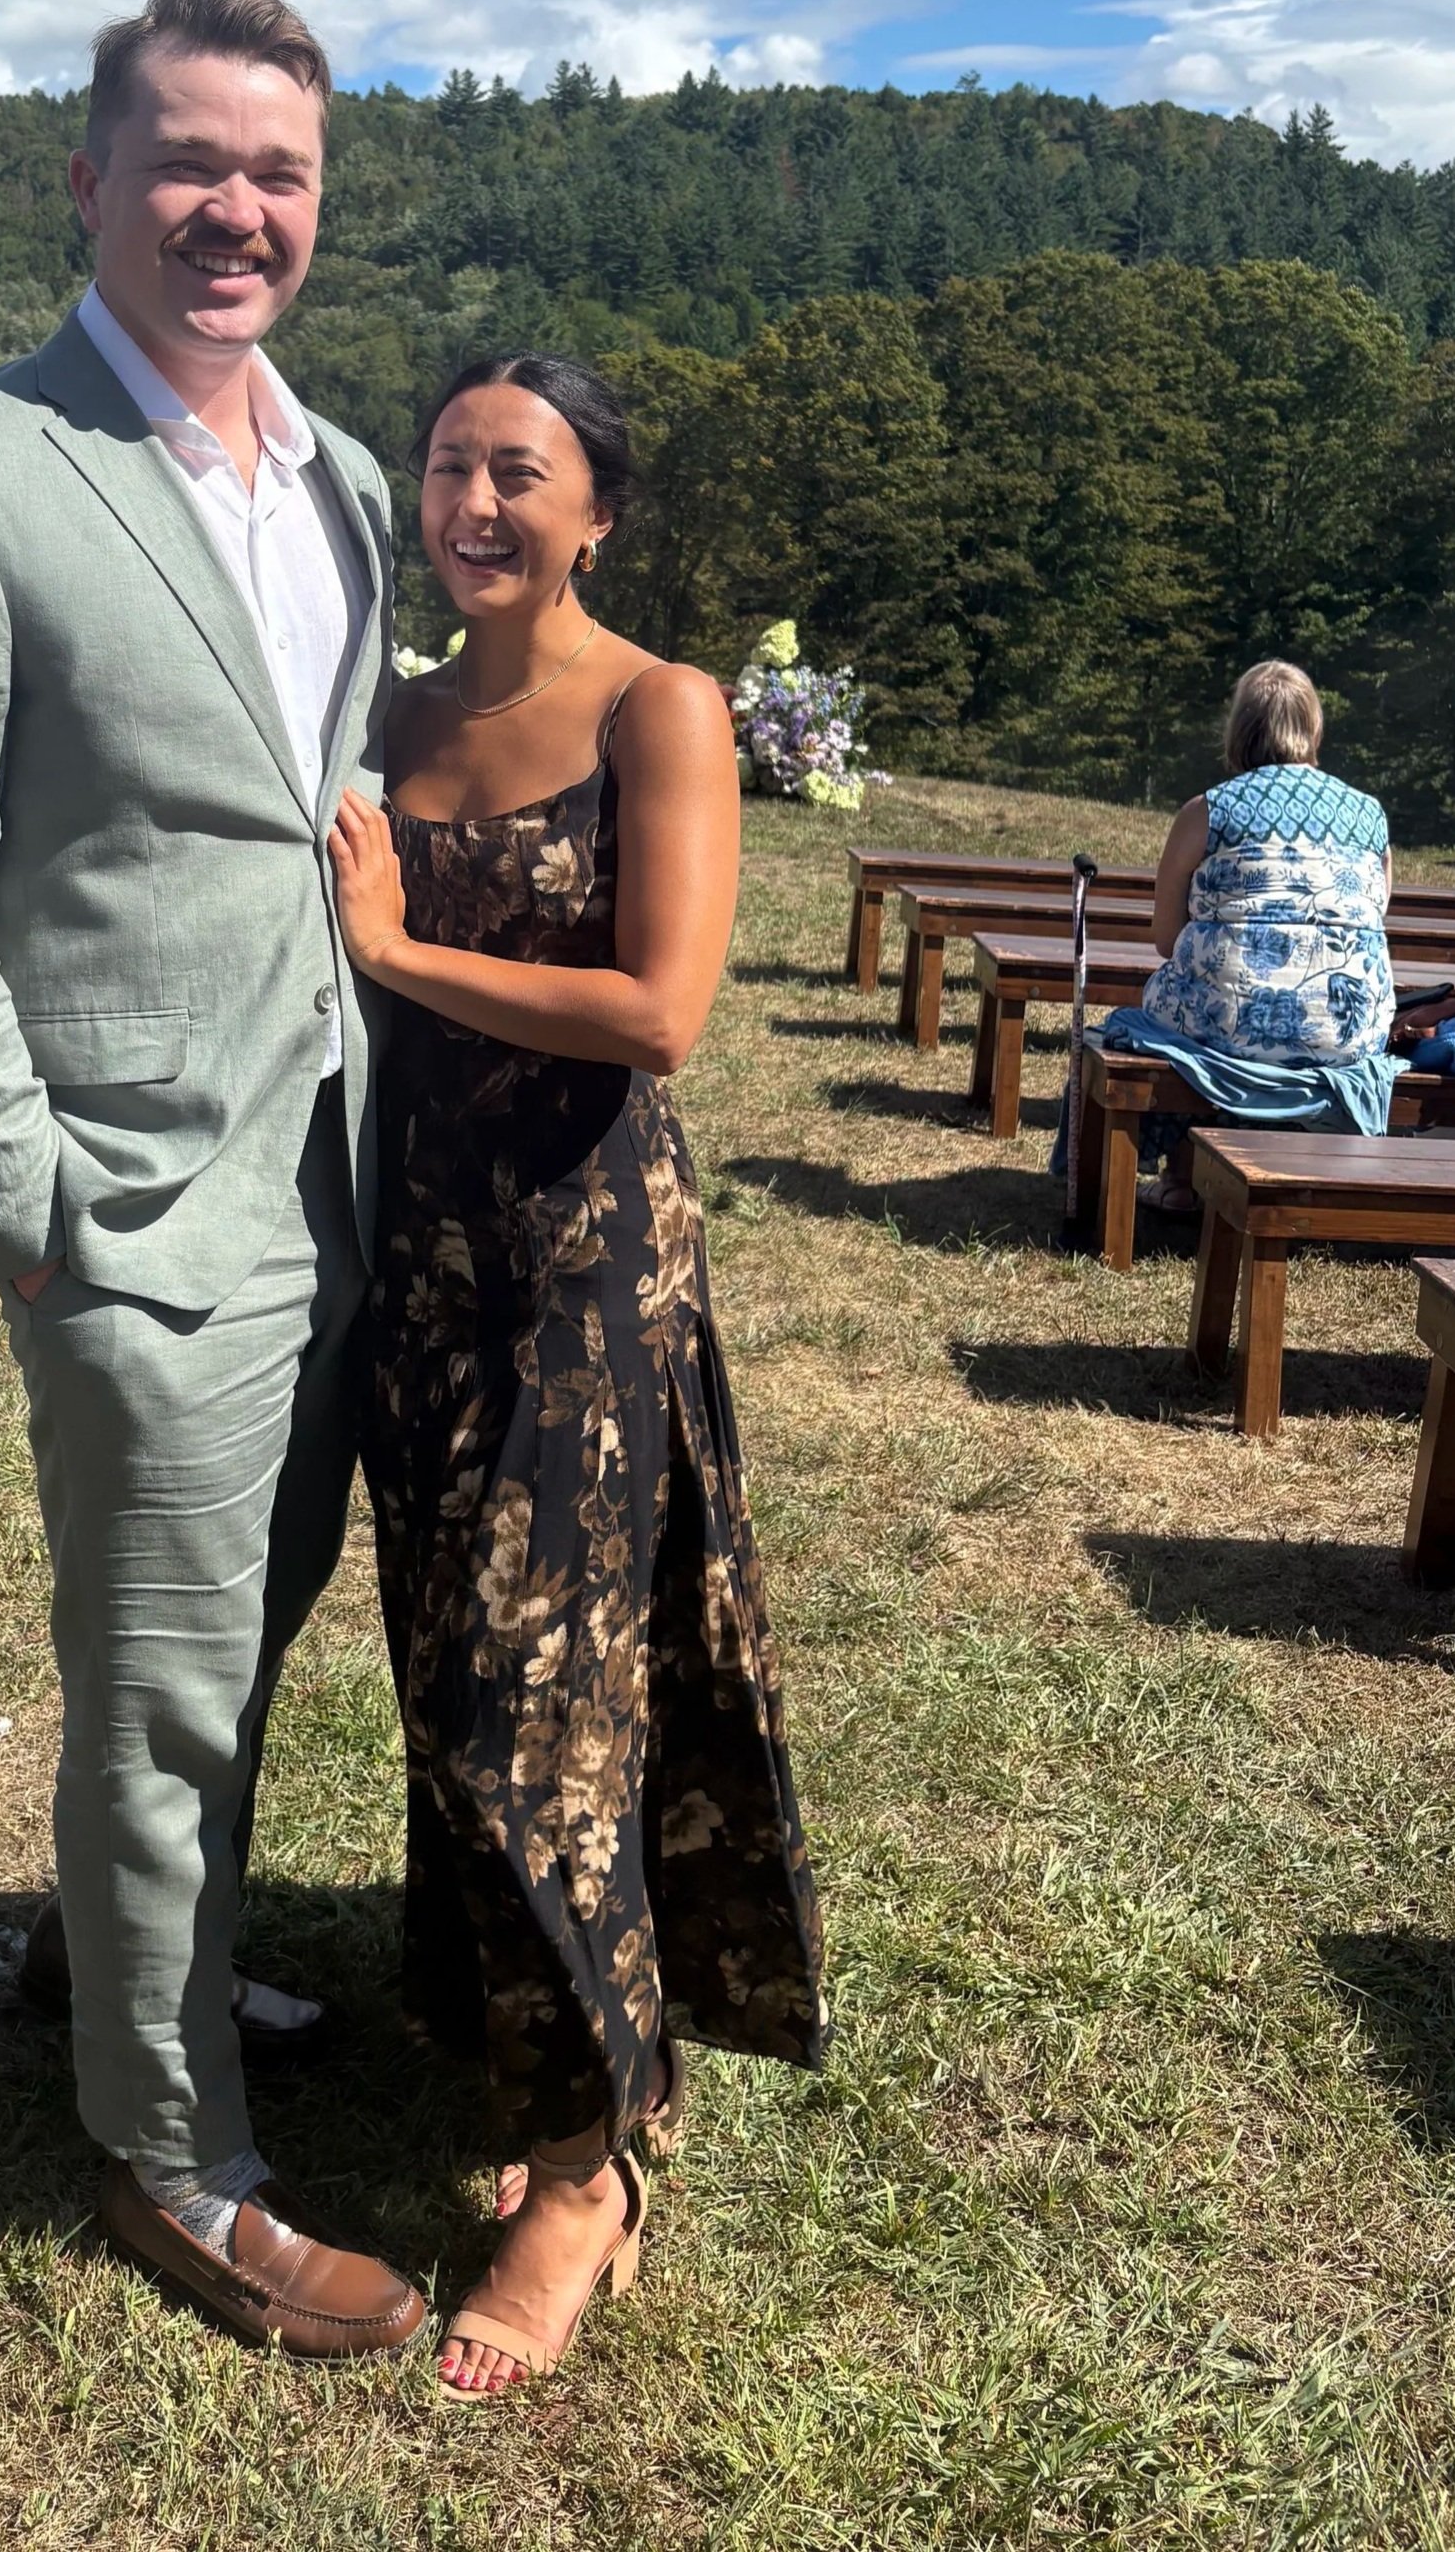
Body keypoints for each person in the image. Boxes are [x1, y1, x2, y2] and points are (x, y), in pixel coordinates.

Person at [0, 0, 422, 2359]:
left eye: (276, 172)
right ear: (87, 181)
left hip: (329, 1172)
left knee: (240, 1638)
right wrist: (37, 1218)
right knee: (162, 1699)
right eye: (185, 162)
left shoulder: (346, 480)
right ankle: (174, 2160)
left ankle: (103, 1953)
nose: (231, 211)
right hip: (134, 1210)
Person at [327, 355, 827, 2402]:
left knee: (531, 1706)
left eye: (516, 470)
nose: (473, 498)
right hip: (416, 1263)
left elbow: (657, 1008)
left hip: (585, 1276)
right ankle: (547, 2033)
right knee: (452, 1681)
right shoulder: (392, 719)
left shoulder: (657, 708)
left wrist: (397, 954)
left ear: (594, 511)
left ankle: (578, 2177)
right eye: (448, 462)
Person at [1111, 659, 1399, 1212]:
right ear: (1314, 729)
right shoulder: (1371, 818)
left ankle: (1181, 1177)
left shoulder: (1206, 812)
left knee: (1177, 1011)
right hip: (1346, 1034)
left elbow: (1166, 938)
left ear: (1237, 731)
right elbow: (1374, 913)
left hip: (1230, 1030)